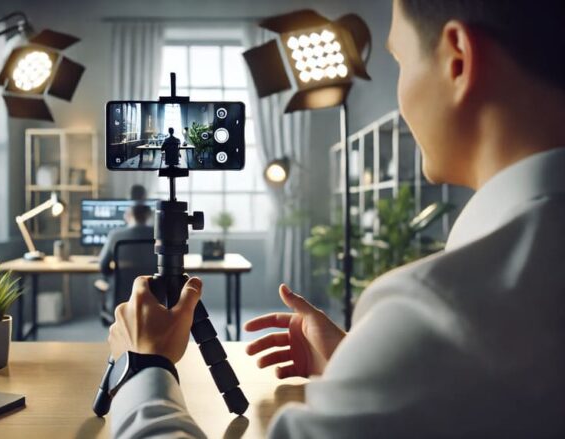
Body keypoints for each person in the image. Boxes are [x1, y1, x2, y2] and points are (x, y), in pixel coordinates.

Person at [105, 1, 565, 437]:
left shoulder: (436, 314)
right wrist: (365, 366)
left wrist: (145, 368)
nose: (401, 97)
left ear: (458, 61)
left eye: (400, 61)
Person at [97, 185, 154, 316]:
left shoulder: (115, 236)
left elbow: (103, 267)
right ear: (149, 215)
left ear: (128, 215)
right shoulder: (159, 236)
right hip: (154, 301)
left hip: (122, 303)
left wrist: (119, 275)